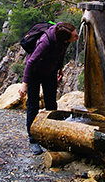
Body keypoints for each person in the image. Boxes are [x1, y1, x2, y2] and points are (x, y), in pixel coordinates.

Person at [19, 21, 78, 154]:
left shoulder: (65, 39)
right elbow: (30, 62)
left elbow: (61, 53)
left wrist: (60, 68)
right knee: (33, 105)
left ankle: (51, 135)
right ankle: (33, 139)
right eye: (74, 35)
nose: (77, 36)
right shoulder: (45, 42)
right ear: (65, 38)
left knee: (51, 103)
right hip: (35, 72)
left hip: (50, 71)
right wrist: (24, 84)